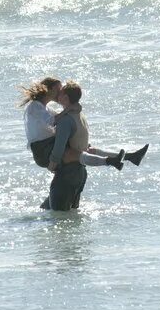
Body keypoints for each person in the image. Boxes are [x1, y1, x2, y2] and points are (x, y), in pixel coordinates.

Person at [40, 81, 148, 211]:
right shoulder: (79, 115)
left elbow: (59, 147)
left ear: (66, 98)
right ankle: (128, 157)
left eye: (60, 94)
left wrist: (52, 163)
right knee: (51, 210)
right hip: (80, 174)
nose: (57, 96)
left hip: (67, 175)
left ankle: (120, 159)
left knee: (58, 218)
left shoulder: (65, 120)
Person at [18, 77, 148, 171]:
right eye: (58, 90)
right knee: (78, 154)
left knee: (88, 148)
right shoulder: (35, 107)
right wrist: (69, 109)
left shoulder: (46, 108)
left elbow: (59, 116)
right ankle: (110, 162)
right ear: (49, 90)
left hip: (49, 143)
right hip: (42, 149)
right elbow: (53, 121)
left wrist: (73, 109)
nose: (60, 93)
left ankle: (130, 157)